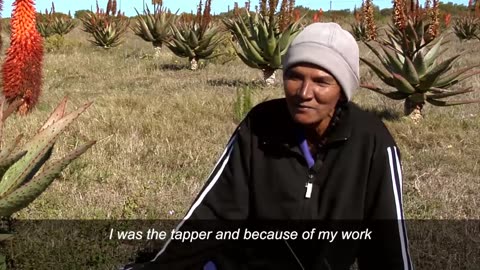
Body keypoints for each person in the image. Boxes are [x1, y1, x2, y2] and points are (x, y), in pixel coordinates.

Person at [123, 22, 413, 270]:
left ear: (343, 89)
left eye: (322, 81)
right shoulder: (261, 123)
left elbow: (388, 242)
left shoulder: (372, 142)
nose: (304, 93)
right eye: (294, 76)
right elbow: (212, 213)